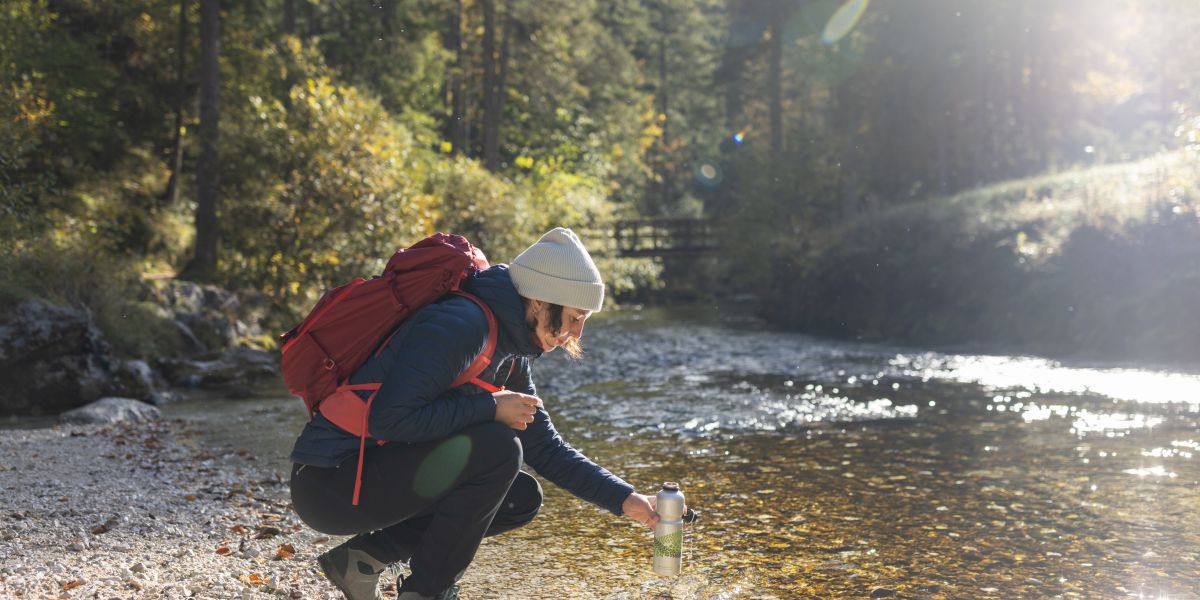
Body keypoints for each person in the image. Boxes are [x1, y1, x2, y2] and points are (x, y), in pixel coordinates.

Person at [289, 228, 668, 600]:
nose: (575, 333)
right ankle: (427, 593)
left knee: (520, 497)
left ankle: (362, 560)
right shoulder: (461, 326)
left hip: (374, 471)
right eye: (573, 317)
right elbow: (389, 419)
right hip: (331, 482)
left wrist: (627, 500)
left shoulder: (511, 349)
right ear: (538, 302)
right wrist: (488, 407)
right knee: (499, 450)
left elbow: (545, 447)